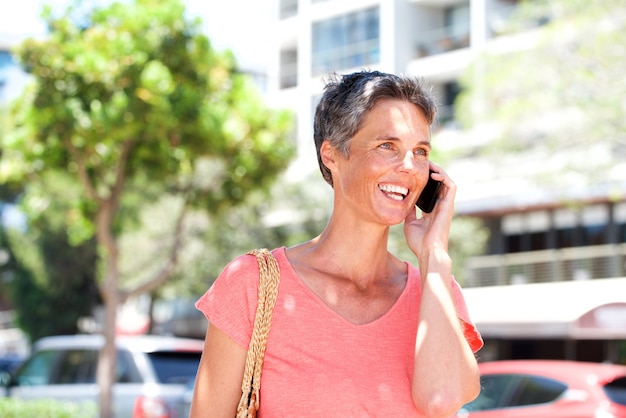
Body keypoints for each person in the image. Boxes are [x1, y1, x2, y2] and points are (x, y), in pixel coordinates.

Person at [190, 70, 483, 417]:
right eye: (387, 146)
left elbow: (441, 401)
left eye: (420, 151)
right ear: (332, 154)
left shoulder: (437, 291)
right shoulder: (251, 284)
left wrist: (434, 257)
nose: (409, 167)